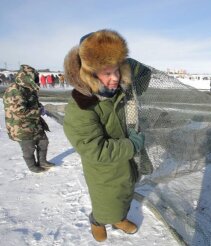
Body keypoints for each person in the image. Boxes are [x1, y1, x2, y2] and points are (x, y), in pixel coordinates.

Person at [63, 29, 151, 242]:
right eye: (106, 72)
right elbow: (95, 150)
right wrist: (131, 145)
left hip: (127, 164)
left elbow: (144, 73)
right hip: (104, 172)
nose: (114, 79)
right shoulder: (80, 107)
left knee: (125, 195)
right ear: (89, 73)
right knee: (106, 202)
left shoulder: (123, 90)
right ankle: (98, 221)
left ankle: (118, 218)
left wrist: (117, 55)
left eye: (117, 70)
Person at [3, 65, 55, 173]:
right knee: (29, 147)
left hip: (34, 123)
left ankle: (42, 161)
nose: (36, 80)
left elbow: (33, 102)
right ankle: (32, 166)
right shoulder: (14, 91)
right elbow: (20, 111)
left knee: (43, 142)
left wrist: (40, 107)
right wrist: (39, 111)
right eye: (34, 78)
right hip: (20, 126)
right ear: (26, 78)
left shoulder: (28, 88)